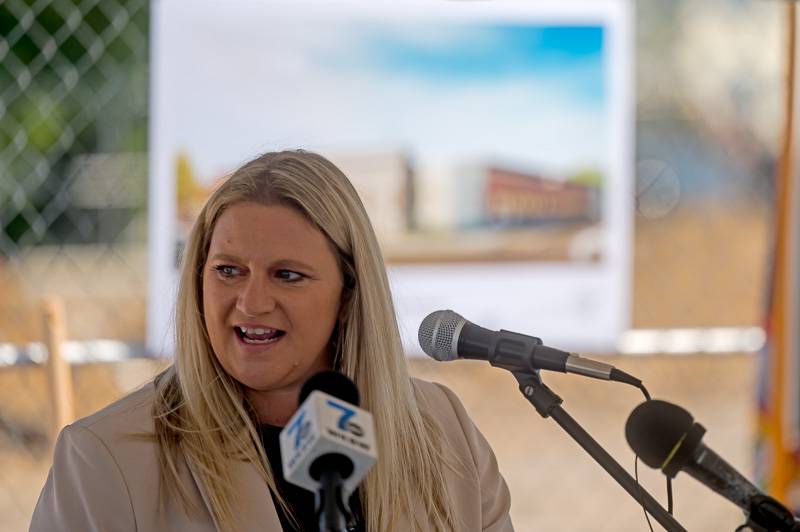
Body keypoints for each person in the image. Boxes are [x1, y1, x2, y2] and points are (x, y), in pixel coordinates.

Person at [30, 150, 513, 532]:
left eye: (287, 275)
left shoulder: (443, 431)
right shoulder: (105, 459)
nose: (252, 302)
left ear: (349, 292)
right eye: (228, 271)